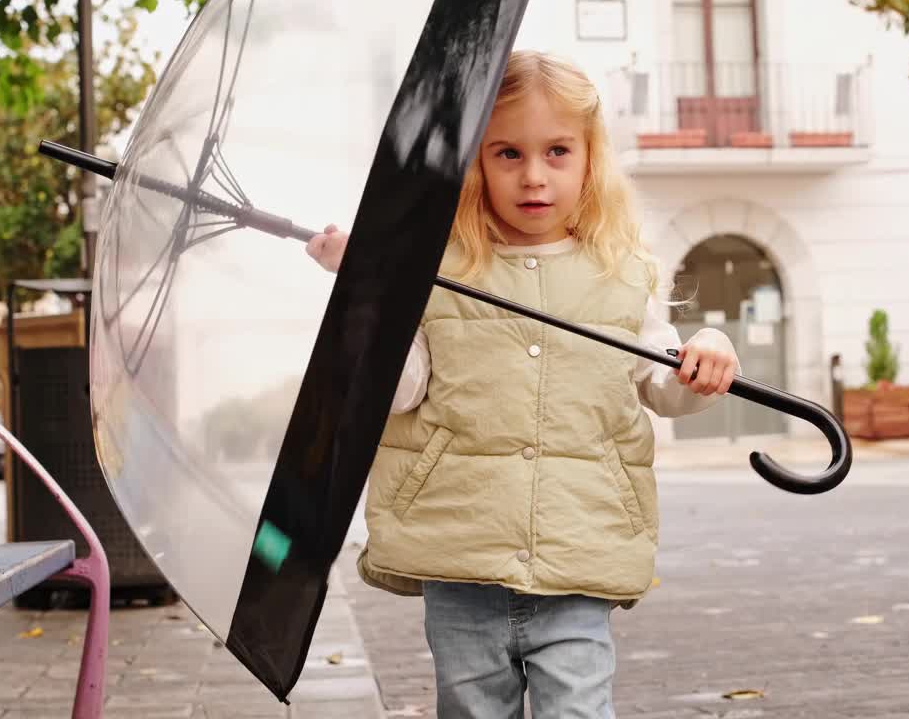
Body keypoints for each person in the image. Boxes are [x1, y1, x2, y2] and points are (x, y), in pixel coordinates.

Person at [305, 50, 740, 718]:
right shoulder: (437, 272)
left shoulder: (618, 276)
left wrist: (708, 352)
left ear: (590, 159)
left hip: (576, 556)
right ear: (475, 162)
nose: (534, 176)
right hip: (462, 555)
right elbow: (398, 391)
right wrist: (368, 294)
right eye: (507, 153)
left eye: (557, 151)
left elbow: (664, 382)